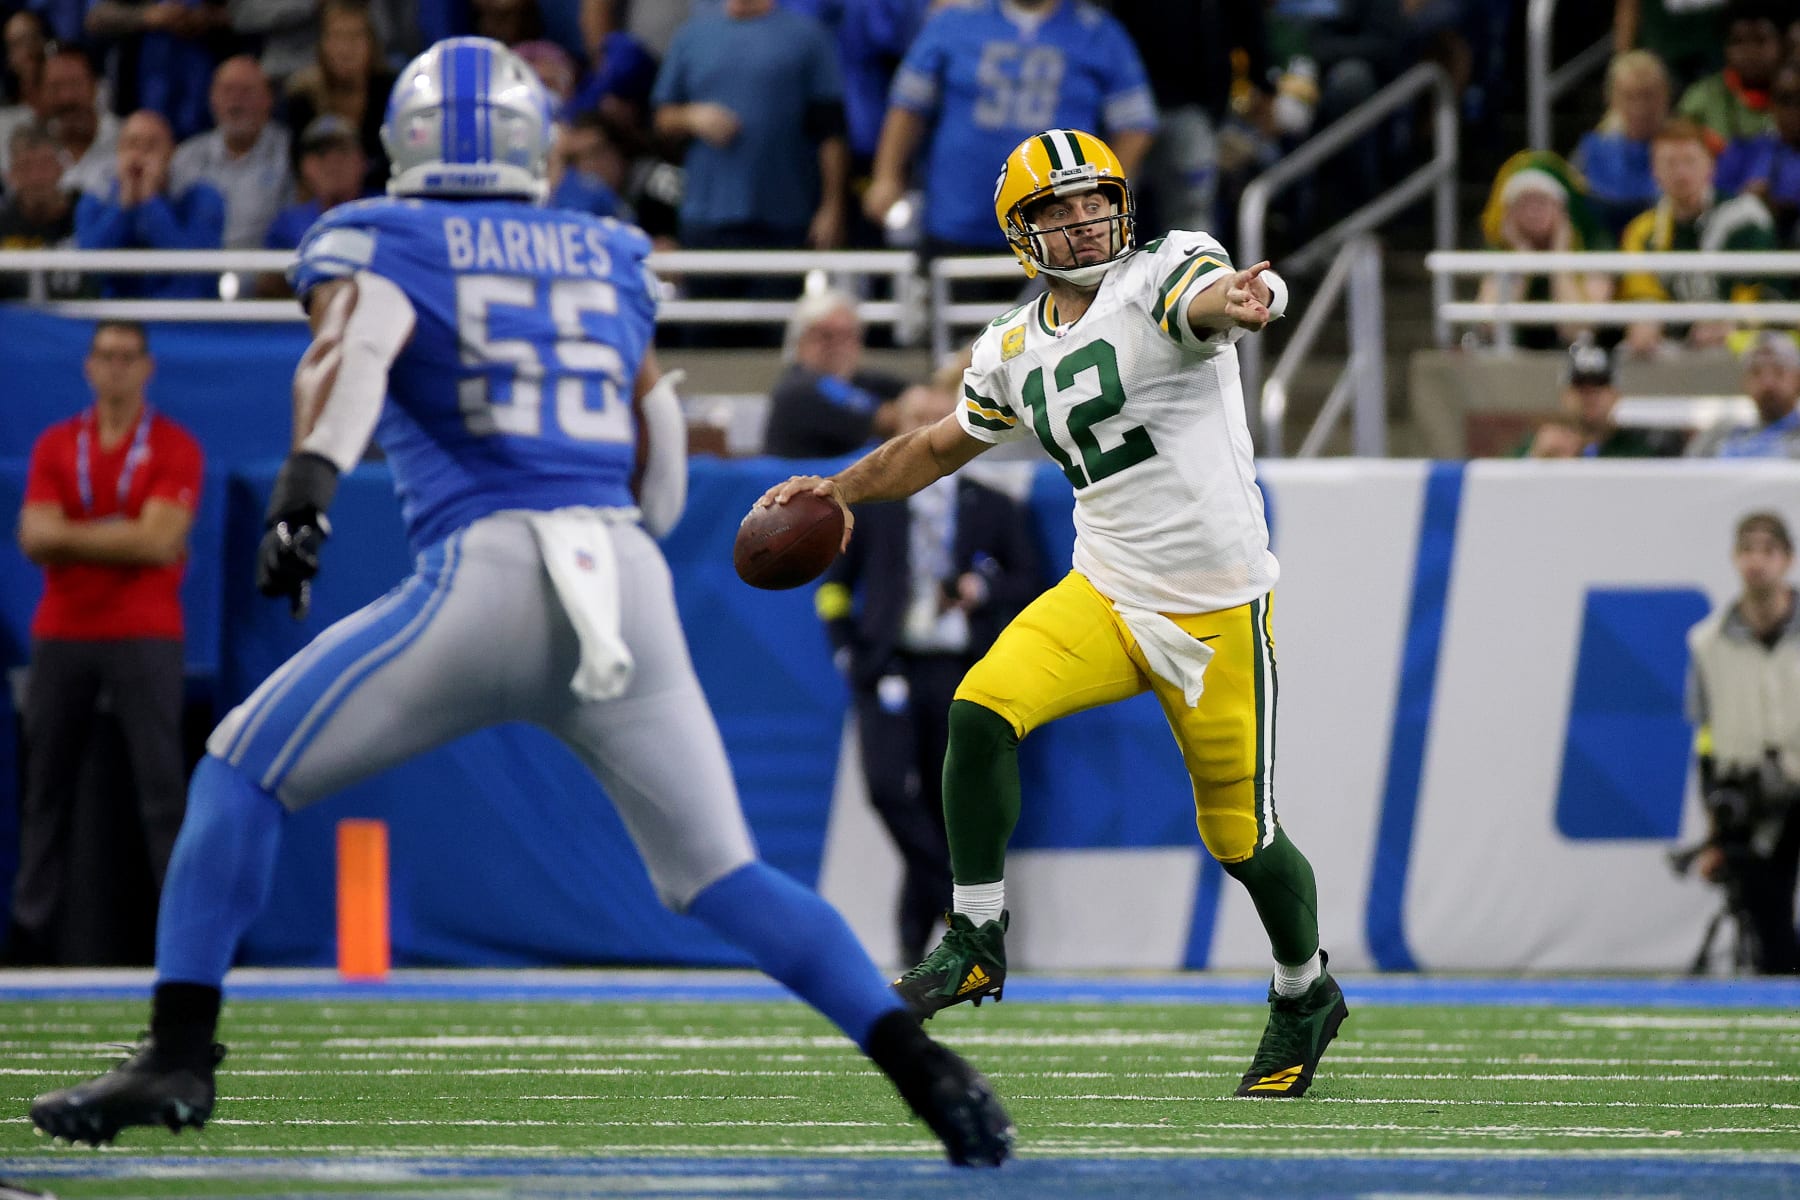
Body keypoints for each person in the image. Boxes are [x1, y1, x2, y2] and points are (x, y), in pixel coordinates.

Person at [25, 38, 1014, 1168]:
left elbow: (357, 351)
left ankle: (178, 1055)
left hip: (486, 572)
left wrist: (306, 491)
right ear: (528, 140)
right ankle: (932, 1077)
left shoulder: (382, 235)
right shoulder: (606, 249)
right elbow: (656, 461)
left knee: (240, 770)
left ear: (407, 141)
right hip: (620, 579)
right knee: (723, 877)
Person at [760, 127, 1348, 1099]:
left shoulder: (1167, 266)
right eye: (1058, 209)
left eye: (1095, 200)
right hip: (1105, 587)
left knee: (1243, 838)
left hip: (1210, 612)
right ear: (1019, 232)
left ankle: (1304, 989)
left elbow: (1208, 300)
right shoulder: (1009, 345)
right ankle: (977, 936)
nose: (1084, 221)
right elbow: (935, 448)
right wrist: (840, 491)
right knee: (981, 709)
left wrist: (1249, 298)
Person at [815, 382, 1042, 964]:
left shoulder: (992, 506)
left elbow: (1031, 581)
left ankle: (914, 950)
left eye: (933, 421)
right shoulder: (874, 510)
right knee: (888, 790)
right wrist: (847, 651)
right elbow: (834, 590)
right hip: (887, 666)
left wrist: (980, 587)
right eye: (912, 420)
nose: (921, 433)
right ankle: (961, 905)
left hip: (962, 670)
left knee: (952, 809)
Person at [8, 321, 203, 967]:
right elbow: (35, 537)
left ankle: (184, 936)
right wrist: (127, 534)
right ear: (89, 367)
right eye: (105, 356)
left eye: (127, 357)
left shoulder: (174, 446)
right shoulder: (58, 445)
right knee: (45, 787)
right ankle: (33, 935)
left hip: (145, 629)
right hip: (64, 629)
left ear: (147, 368)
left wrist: (78, 534)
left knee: (162, 788)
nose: (116, 368)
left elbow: (157, 539)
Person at [864, 0, 1156, 264]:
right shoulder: (953, 22)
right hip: (958, 216)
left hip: (1058, 225)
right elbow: (908, 106)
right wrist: (887, 176)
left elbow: (1135, 125)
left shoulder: (1098, 33)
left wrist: (1102, 197)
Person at [1684, 511, 1800, 975]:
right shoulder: (1707, 642)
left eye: (1768, 551)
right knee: (1768, 922)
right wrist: (1715, 827)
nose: (1757, 563)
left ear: (1788, 559)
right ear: (1734, 559)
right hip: (1753, 796)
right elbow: (1706, 738)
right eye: (1747, 551)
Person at [650, 0, 848, 253]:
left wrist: (832, 207)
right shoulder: (692, 35)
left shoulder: (808, 36)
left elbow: (831, 131)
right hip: (706, 214)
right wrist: (692, 117)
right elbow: (660, 118)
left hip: (784, 214)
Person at [1619, 118, 1781, 356]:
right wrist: (1645, 326)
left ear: (1710, 166)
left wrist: (1731, 322)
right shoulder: (1643, 231)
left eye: (1690, 161)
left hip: (1744, 335)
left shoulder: (1745, 217)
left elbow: (1762, 293)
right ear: (1654, 170)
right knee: (1631, 352)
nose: (1681, 172)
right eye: (1670, 163)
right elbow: (1645, 296)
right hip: (1681, 341)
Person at [74, 109, 226, 299]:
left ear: (171, 152)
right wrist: (122, 206)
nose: (140, 155)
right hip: (116, 317)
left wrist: (150, 201)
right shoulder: (98, 196)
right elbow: (89, 267)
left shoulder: (202, 196)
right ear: (119, 151)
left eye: (151, 146)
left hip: (182, 314)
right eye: (132, 145)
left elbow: (194, 268)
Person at [1475, 162, 1614, 351]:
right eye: (1523, 204)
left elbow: (1576, 329)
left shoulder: (1594, 244)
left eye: (1541, 202)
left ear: (1562, 207)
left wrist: (1559, 254)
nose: (1532, 212)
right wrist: (1523, 256)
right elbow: (1492, 324)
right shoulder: (1501, 249)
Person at [762, 290, 909, 459]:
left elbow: (917, 393)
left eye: (847, 335)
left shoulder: (860, 380)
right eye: (826, 336)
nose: (838, 346)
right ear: (799, 342)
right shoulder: (798, 389)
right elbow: (885, 420)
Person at [170, 55, 293, 251]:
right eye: (227, 91)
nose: (236, 100)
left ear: (268, 99)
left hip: (265, 268)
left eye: (246, 91)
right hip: (199, 268)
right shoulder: (187, 156)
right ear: (212, 98)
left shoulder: (288, 151)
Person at [281, 0, 397, 195]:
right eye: (337, 37)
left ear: (372, 44)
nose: (345, 49)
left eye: (355, 37)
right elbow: (300, 168)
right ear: (322, 45)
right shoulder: (302, 96)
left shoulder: (392, 92)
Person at [1513, 342, 1684, 458]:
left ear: (1616, 394)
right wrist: (1535, 460)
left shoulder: (1635, 451)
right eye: (1580, 385)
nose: (1590, 395)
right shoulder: (1539, 443)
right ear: (1565, 394)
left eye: (1599, 385)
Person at [1574, 51, 1672, 240]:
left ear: (1665, 94)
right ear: (1612, 99)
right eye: (1629, 96)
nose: (1640, 108)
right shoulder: (1590, 152)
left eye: (1648, 95)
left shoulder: (1688, 148)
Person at [1675, 0, 1783, 148]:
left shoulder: (1794, 94)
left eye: (1760, 40)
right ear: (1725, 49)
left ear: (1781, 43)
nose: (1750, 52)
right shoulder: (1702, 99)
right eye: (1738, 42)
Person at [1714, 60, 1800, 243]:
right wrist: (1746, 200)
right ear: (1771, 104)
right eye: (1785, 100)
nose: (1794, 110)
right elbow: (1713, 203)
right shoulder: (1744, 151)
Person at [0, 124, 84, 300]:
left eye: (44, 165)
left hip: (79, 320)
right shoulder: (3, 223)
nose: (36, 177)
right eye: (26, 167)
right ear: (11, 174)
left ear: (61, 168)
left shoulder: (85, 211)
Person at [1687, 331, 1800, 458]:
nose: (1767, 383)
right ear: (1746, 382)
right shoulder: (1720, 434)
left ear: (1797, 379)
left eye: (1779, 372)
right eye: (1756, 372)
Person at [262, 115, 366, 251]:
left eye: (342, 151)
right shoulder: (287, 225)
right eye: (321, 153)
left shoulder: (386, 212)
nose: (332, 162)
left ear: (362, 161)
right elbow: (268, 270)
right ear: (304, 166)